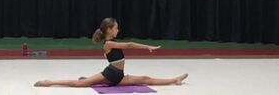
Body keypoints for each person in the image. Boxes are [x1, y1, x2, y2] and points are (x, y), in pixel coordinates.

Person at [34, 17, 187, 88]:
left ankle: (175, 79)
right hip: (110, 74)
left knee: (145, 78)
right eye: (116, 28)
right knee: (80, 83)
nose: (118, 29)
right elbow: (129, 44)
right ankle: (49, 82)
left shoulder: (111, 42)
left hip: (119, 76)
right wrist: (147, 46)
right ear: (109, 30)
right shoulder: (108, 44)